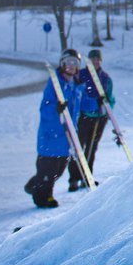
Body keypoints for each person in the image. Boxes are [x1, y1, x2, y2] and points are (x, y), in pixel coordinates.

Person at [24, 48, 84, 209]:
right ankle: (42, 198)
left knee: (59, 171)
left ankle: (36, 183)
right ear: (62, 64)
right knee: (48, 171)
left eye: (75, 63)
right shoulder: (56, 84)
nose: (71, 66)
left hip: (66, 138)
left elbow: (75, 111)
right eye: (68, 62)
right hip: (51, 136)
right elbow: (45, 107)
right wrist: (55, 109)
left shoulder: (75, 86)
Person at [68, 48, 115, 191]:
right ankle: (74, 178)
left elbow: (110, 98)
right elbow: (77, 96)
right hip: (83, 117)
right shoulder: (81, 76)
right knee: (78, 146)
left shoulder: (105, 78)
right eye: (93, 59)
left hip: (99, 119)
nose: (96, 62)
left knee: (91, 148)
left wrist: (106, 103)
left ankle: (87, 176)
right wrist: (94, 102)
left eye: (98, 59)